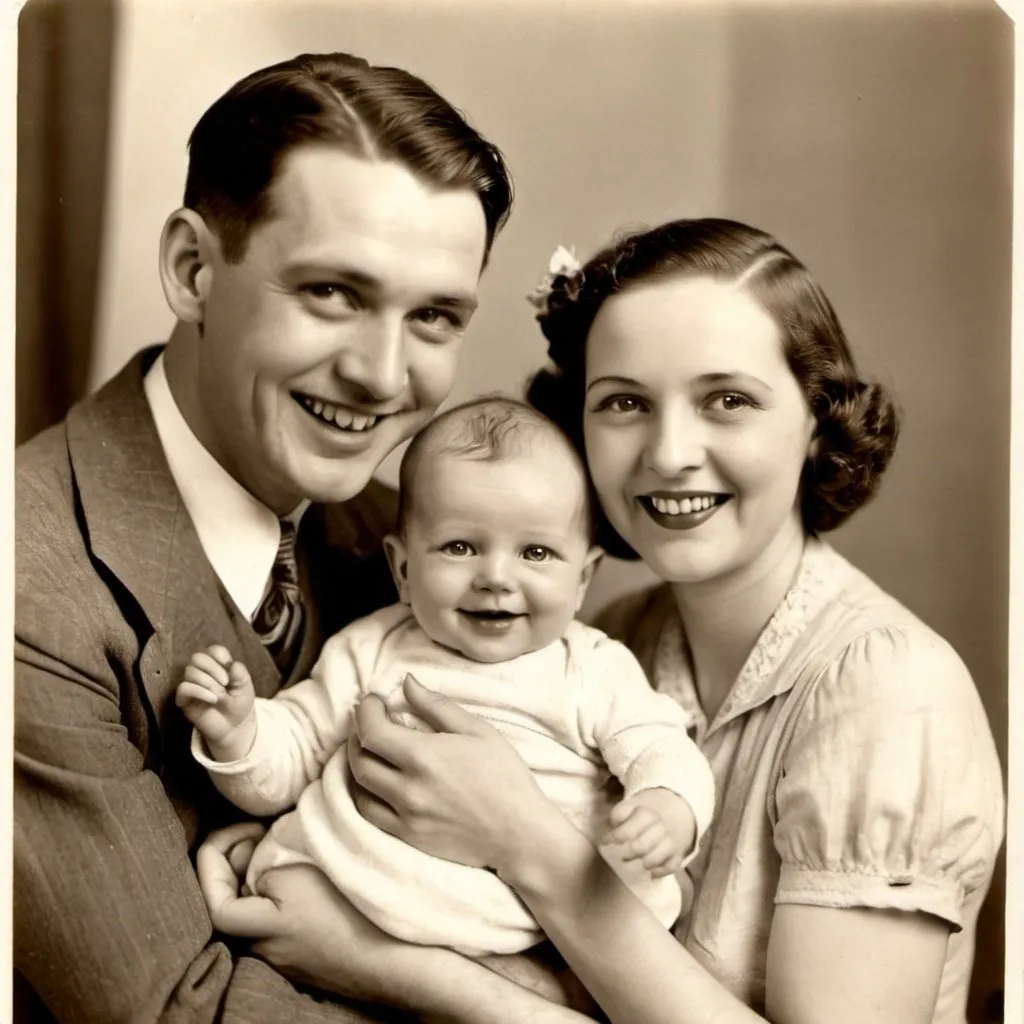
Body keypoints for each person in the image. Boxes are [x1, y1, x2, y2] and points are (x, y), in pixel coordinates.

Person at [229, 217, 1002, 1024]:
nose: (669, 452)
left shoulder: (888, 687)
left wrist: (391, 960)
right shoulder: (619, 634)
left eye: (728, 400)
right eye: (624, 402)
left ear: (815, 422)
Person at [14, 50, 525, 1023]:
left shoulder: (406, 543)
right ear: (193, 269)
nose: (382, 374)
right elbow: (181, 1012)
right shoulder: (27, 586)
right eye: (334, 292)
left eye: (434, 317)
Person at [179, 397, 716, 959]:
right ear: (404, 569)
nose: (496, 578)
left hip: (519, 928)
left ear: (582, 580)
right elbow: (292, 758)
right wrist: (240, 733)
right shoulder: (371, 648)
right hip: (358, 893)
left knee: (631, 901)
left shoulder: (592, 669)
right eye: (460, 547)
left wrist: (666, 806)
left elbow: (663, 747)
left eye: (536, 552)